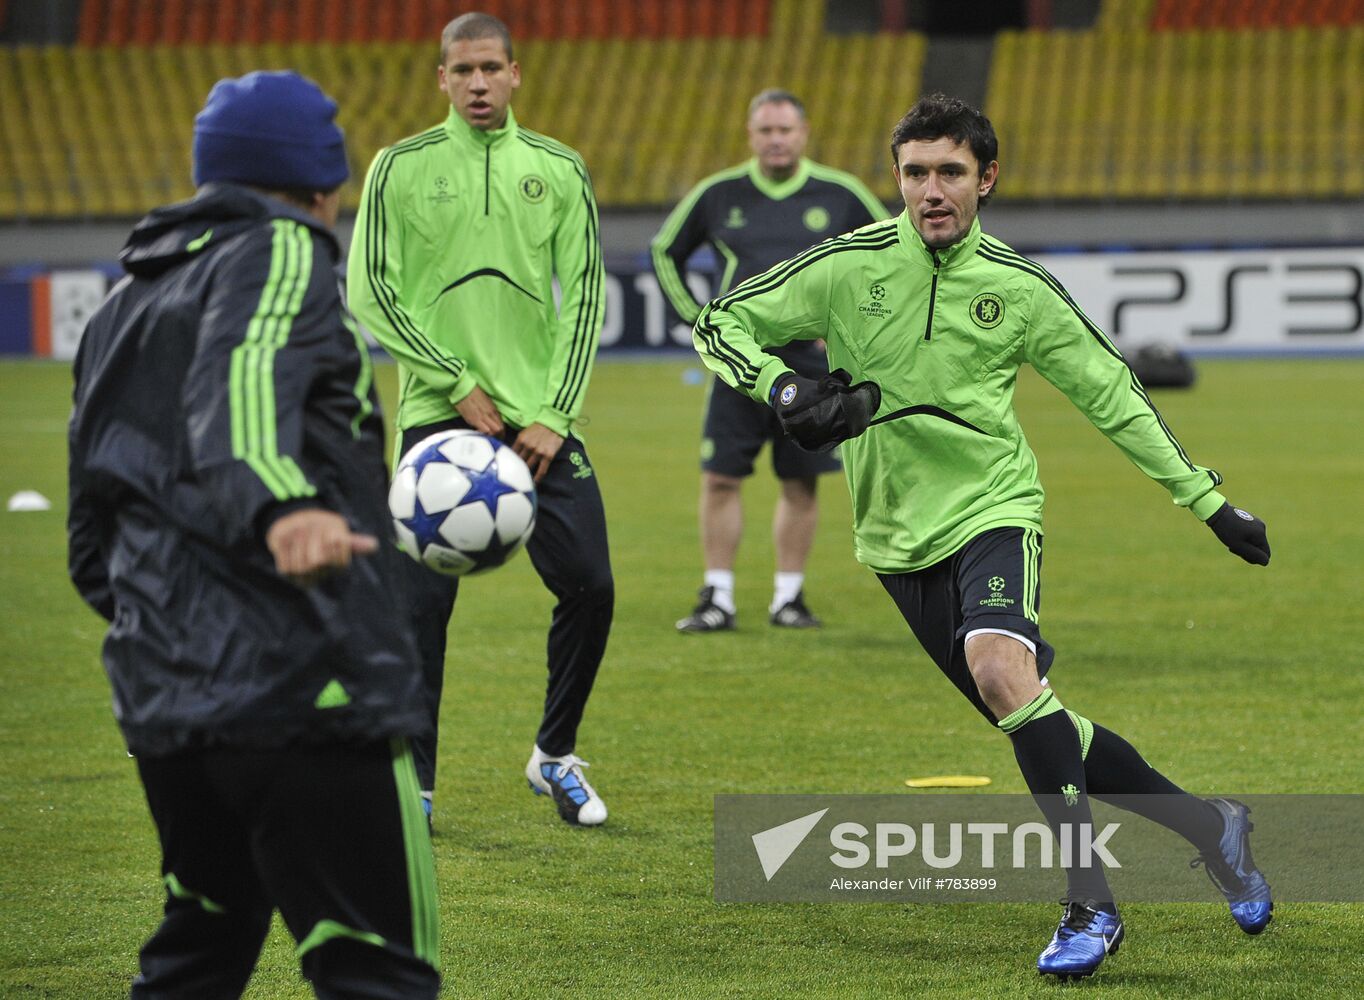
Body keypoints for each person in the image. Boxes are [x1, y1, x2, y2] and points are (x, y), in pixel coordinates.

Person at [691, 93, 1273, 980]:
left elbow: (1112, 396)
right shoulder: (846, 269)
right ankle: (1210, 827)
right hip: (893, 537)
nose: (931, 190)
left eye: (950, 173)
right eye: (916, 172)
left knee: (1003, 671)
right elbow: (719, 322)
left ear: (986, 178)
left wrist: (1208, 503)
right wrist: (779, 387)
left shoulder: (1018, 288)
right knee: (1040, 720)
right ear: (897, 178)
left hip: (995, 507)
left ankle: (1092, 905)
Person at [67, 71, 440, 999]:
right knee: (379, 977)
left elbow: (90, 537)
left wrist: (170, 628)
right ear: (324, 179)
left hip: (167, 702)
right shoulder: (279, 247)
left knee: (195, 962)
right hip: (306, 687)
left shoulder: (119, 305)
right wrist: (283, 509)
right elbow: (237, 400)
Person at [347, 12, 611, 828]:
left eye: (491, 68)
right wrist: (455, 382)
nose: (478, 84)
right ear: (441, 79)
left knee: (591, 587)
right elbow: (369, 291)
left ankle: (554, 755)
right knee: (423, 612)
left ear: (516, 72)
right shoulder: (399, 168)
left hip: (540, 425)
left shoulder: (560, 170)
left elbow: (586, 297)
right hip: (438, 418)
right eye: (462, 71)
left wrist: (556, 414)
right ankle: (416, 789)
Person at [652, 89, 888, 633]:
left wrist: (854, 331)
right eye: (766, 130)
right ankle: (718, 596)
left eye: (785, 130)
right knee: (719, 478)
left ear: (804, 134)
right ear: (750, 135)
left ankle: (789, 598)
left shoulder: (841, 194)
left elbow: (891, 255)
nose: (776, 139)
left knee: (801, 483)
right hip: (737, 365)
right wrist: (698, 319)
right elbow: (666, 250)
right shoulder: (718, 194)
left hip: (810, 369)